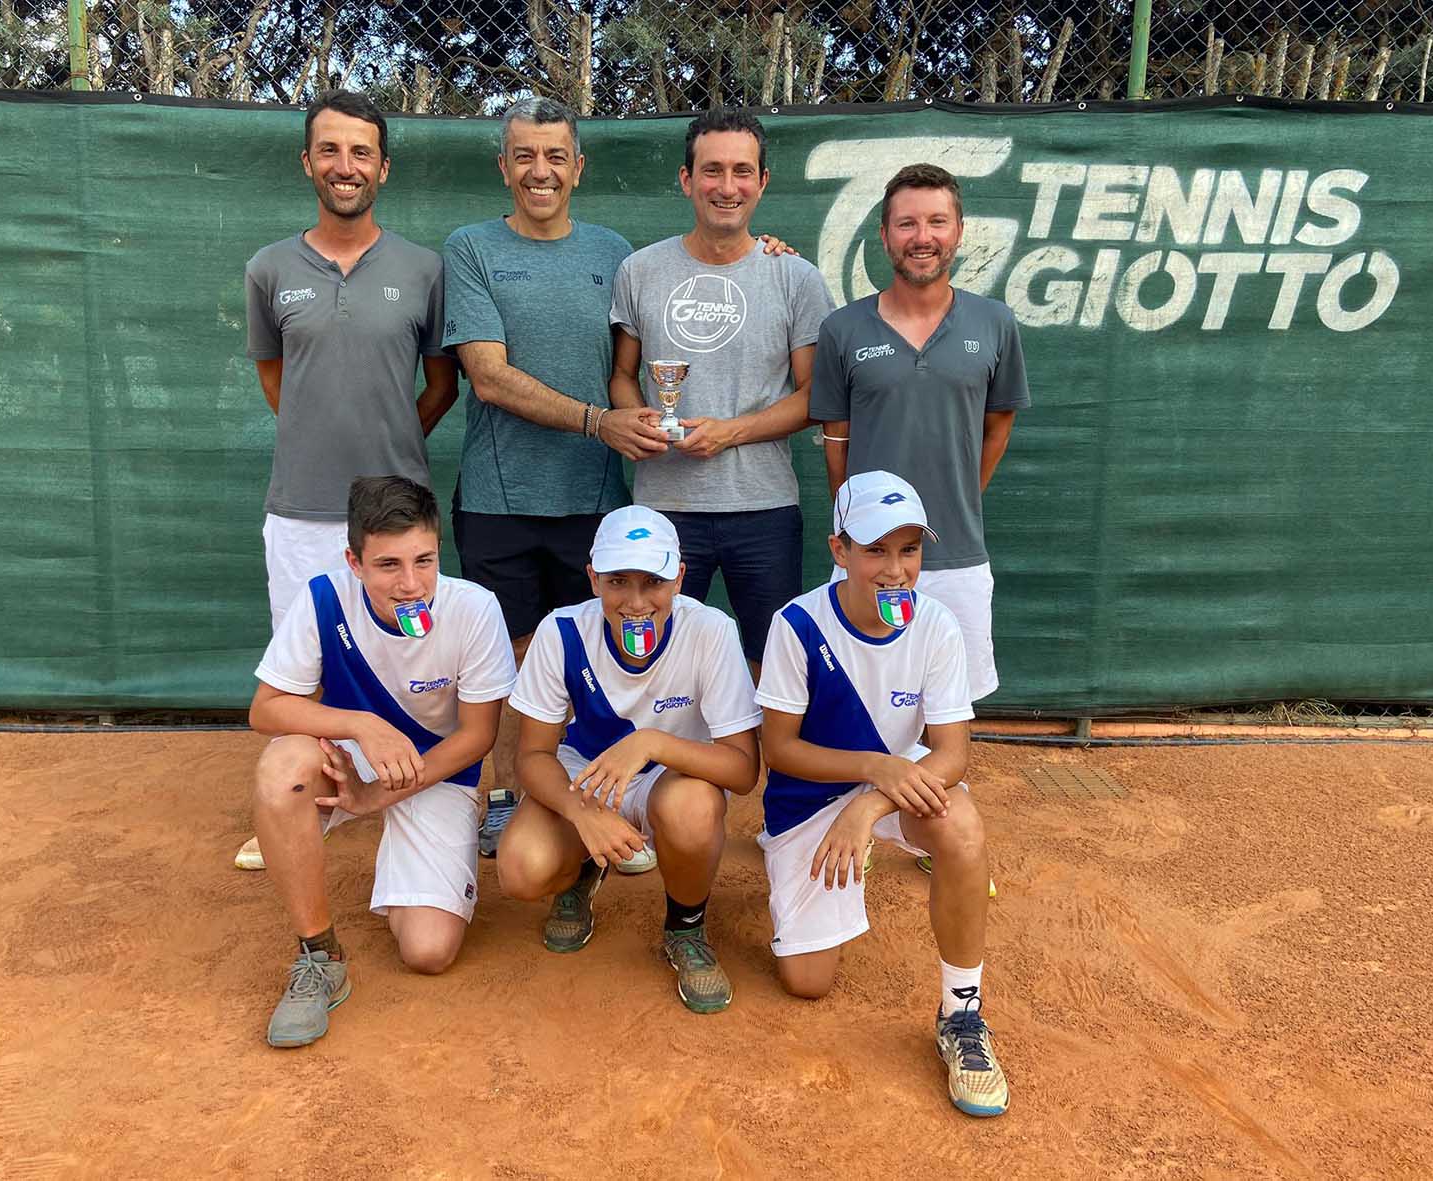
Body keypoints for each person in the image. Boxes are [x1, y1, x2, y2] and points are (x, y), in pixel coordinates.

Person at [439, 96, 667, 871]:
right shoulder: (470, 248)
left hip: (596, 502)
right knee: (509, 657)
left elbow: (646, 352)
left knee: (596, 656)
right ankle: (509, 799)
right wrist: (599, 422)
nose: (541, 171)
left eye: (556, 156)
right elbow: (488, 377)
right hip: (498, 499)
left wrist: (766, 252)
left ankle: (602, 799)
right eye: (526, 156)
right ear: (504, 167)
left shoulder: (615, 253)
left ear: (578, 167)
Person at [238, 89, 459, 871]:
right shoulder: (269, 269)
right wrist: (322, 437)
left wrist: (389, 446)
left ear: (383, 168)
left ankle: (417, 790)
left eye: (361, 151)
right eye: (330, 150)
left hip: (397, 513)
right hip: (300, 509)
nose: (346, 165)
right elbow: (277, 382)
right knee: (304, 665)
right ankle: (312, 798)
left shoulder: (424, 269)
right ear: (308, 161)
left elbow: (441, 385)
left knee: (411, 652)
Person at [755, 471, 1008, 1116]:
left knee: (961, 827)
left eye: (909, 550)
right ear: (839, 550)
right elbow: (778, 749)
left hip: (889, 786)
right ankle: (793, 859)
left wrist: (870, 803)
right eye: (875, 550)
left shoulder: (938, 622)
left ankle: (961, 1015)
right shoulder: (796, 624)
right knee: (807, 983)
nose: (895, 570)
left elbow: (952, 754)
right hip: (812, 796)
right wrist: (874, 768)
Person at [247, 477, 515, 1048]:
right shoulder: (323, 597)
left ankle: (408, 863)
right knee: (282, 770)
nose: (411, 583)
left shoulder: (474, 608)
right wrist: (361, 726)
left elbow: (478, 737)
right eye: (388, 564)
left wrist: (379, 798)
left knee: (428, 951)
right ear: (355, 562)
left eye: (425, 560)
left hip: (435, 770)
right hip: (351, 757)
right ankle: (320, 956)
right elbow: (266, 709)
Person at [495, 506, 762, 1014]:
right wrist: (582, 813)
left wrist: (652, 743)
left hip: (672, 778)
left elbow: (743, 770)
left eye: (653, 581)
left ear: (679, 578)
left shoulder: (710, 630)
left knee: (693, 808)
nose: (636, 602)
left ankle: (685, 927)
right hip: (587, 775)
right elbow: (533, 754)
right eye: (618, 581)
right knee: (522, 869)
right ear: (593, 578)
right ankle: (583, 868)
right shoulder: (562, 631)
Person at [608, 109, 834, 667]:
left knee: (772, 663)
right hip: (663, 508)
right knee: (655, 662)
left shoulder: (795, 277)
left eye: (742, 171)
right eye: (712, 170)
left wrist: (730, 433)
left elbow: (815, 396)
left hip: (763, 507)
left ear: (762, 181)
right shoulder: (640, 270)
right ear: (687, 179)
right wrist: (638, 421)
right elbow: (622, 376)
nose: (727, 187)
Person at [810, 163, 1030, 702]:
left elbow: (998, 426)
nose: (922, 237)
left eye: (936, 222)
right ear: (885, 235)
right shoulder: (842, 329)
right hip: (868, 559)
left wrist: (959, 497)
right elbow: (836, 438)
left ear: (959, 232)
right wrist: (855, 520)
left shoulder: (995, 322)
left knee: (951, 707)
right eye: (907, 224)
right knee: (862, 701)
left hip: (958, 557)